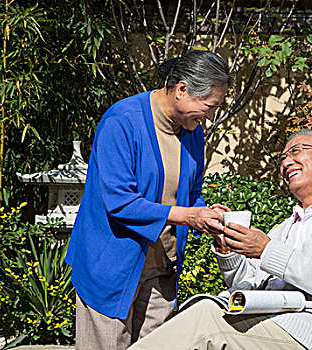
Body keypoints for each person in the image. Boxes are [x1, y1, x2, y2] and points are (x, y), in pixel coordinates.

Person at [128, 129, 312, 350]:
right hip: (270, 323)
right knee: (206, 311)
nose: (286, 163)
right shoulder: (288, 226)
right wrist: (226, 247)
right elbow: (247, 283)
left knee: (204, 323)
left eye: (297, 151)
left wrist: (266, 250)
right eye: (283, 157)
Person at [65, 50, 233, 350]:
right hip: (112, 264)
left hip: (162, 267)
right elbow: (119, 201)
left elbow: (191, 193)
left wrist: (208, 217)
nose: (210, 116)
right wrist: (186, 216)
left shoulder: (193, 132)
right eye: (208, 106)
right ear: (181, 89)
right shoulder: (122, 121)